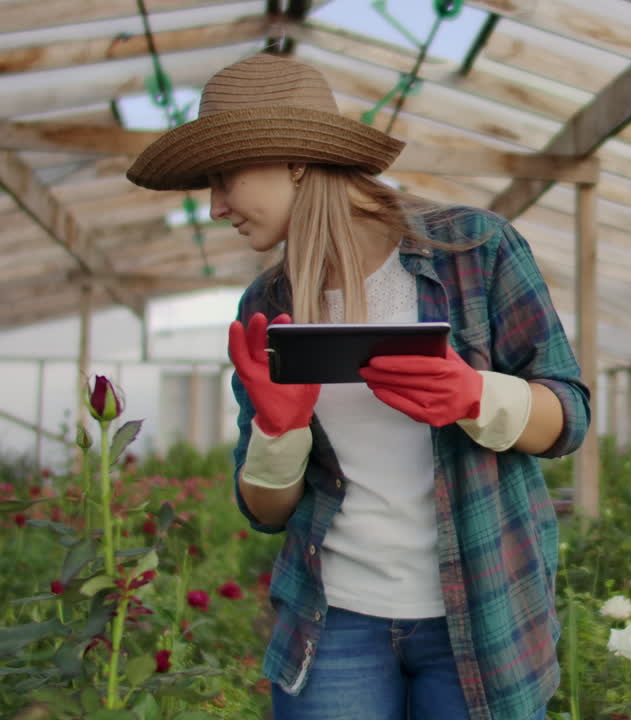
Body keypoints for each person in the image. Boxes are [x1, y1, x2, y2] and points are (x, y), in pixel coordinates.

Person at [125, 52, 590, 720]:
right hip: (335, 620)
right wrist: (277, 428)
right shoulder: (267, 302)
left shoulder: (474, 251)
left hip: (482, 616)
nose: (216, 205)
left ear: (294, 160)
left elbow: (568, 417)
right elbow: (265, 510)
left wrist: (472, 395)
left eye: (223, 177)